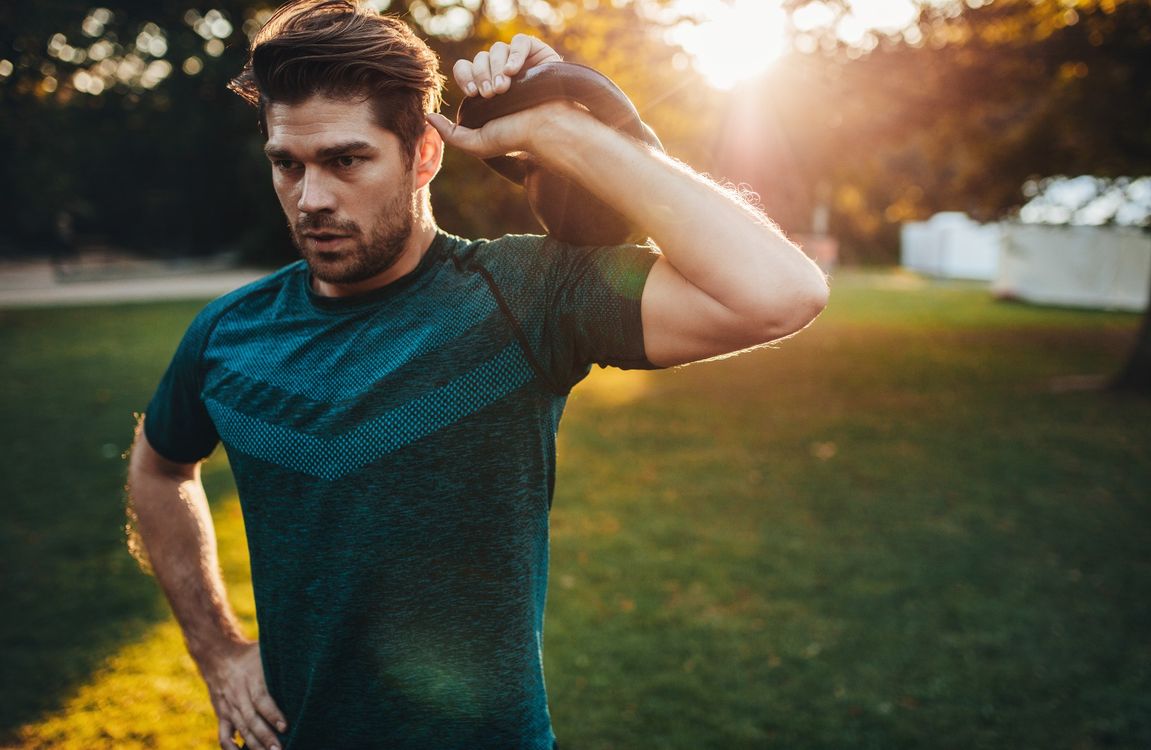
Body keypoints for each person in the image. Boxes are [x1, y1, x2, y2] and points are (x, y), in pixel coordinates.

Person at [125, 1, 829, 748]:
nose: (312, 199)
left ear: (424, 154)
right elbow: (160, 468)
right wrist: (220, 653)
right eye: (286, 164)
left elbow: (781, 293)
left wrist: (562, 128)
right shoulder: (228, 334)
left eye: (346, 159)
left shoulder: (527, 296)